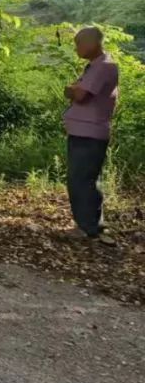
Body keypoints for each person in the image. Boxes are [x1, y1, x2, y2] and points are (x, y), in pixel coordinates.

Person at [64, 26, 119, 246]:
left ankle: (88, 228)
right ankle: (88, 225)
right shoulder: (97, 66)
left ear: (92, 43)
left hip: (89, 134)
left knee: (82, 180)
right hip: (84, 131)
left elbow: (80, 95)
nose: (77, 48)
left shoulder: (103, 66)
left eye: (79, 44)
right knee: (84, 179)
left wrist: (71, 89)